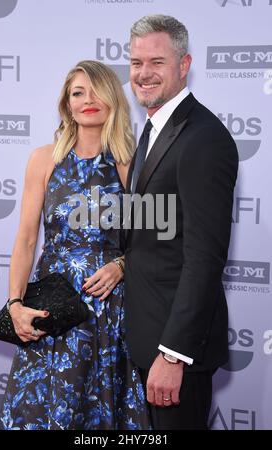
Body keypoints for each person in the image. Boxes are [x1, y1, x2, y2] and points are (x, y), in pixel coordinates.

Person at [0, 60, 150, 430]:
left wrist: (121, 266)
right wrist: (15, 304)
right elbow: (27, 239)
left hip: (108, 308)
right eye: (77, 93)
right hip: (54, 307)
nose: (87, 100)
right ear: (67, 104)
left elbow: (151, 238)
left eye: (95, 91)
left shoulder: (130, 164)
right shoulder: (44, 160)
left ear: (113, 98)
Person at [124, 15, 238, 430]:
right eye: (136, 63)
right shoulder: (155, 129)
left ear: (184, 64)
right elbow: (152, 234)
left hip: (174, 355)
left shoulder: (202, 138)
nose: (143, 74)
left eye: (157, 62)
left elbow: (204, 257)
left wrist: (173, 354)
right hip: (144, 340)